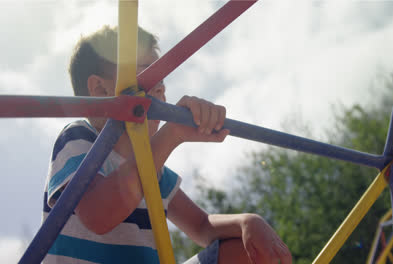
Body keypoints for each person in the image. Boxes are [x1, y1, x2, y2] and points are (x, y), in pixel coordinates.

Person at [42, 25, 292, 264]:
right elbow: (98, 216)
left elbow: (202, 226)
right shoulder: (78, 138)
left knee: (244, 251)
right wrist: (172, 134)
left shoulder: (157, 173)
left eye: (162, 79)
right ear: (99, 88)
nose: (161, 86)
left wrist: (246, 221)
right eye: (147, 74)